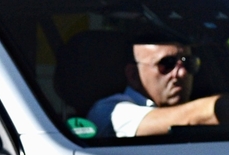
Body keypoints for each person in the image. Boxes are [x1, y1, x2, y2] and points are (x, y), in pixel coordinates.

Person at [89, 41, 222, 139]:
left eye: (188, 63)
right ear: (134, 75)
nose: (182, 73)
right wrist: (222, 107)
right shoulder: (108, 111)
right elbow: (190, 118)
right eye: (166, 64)